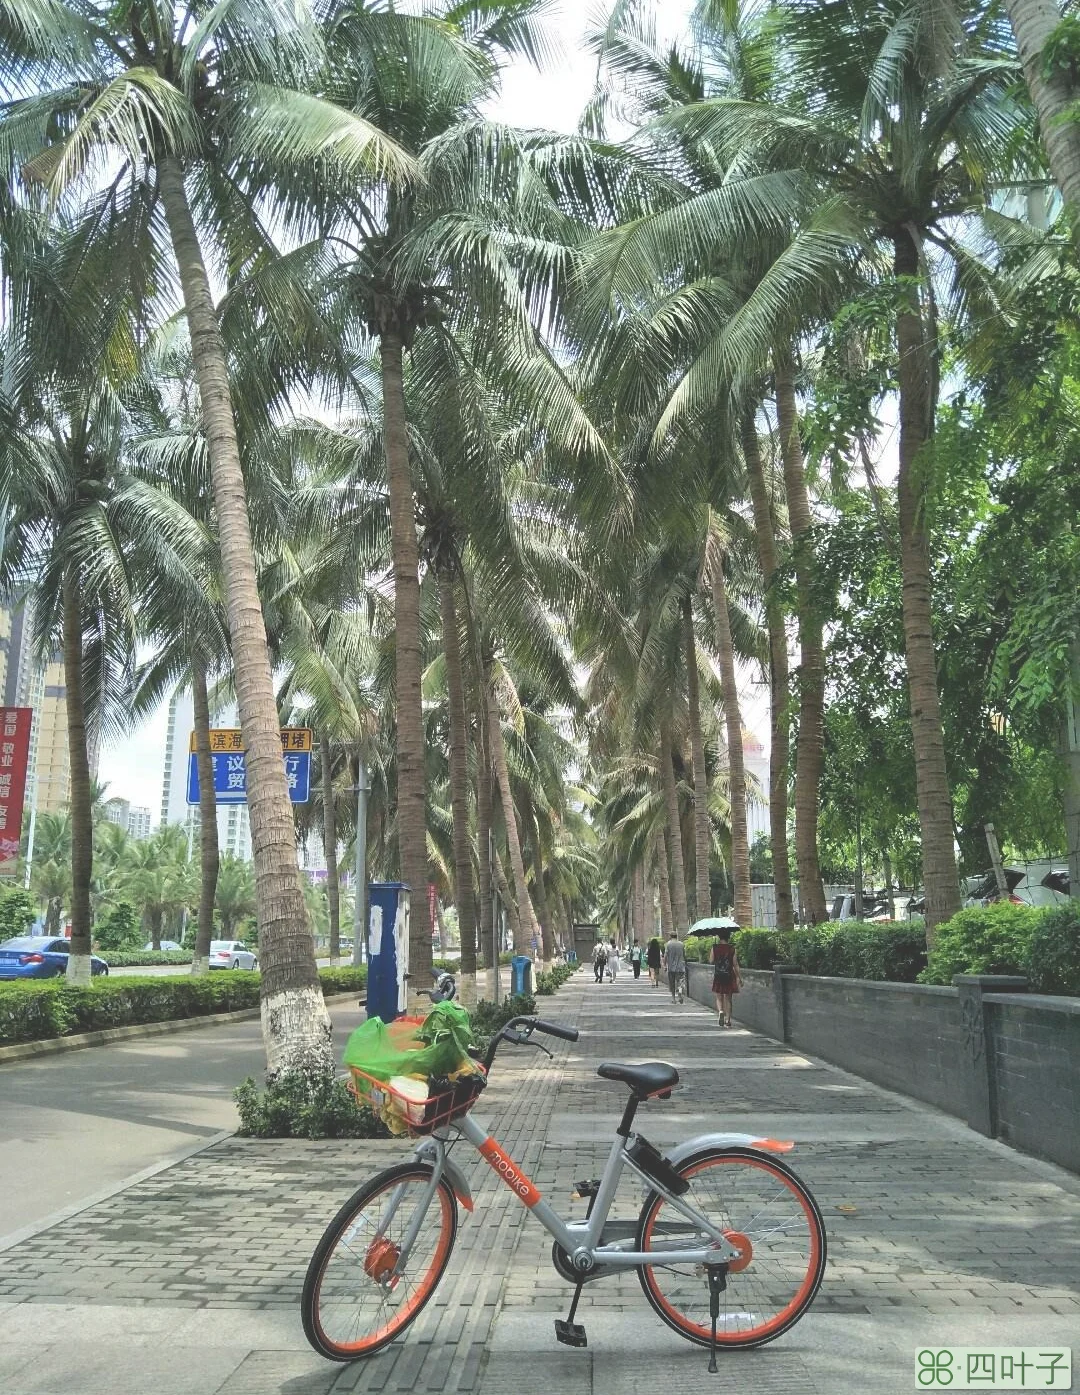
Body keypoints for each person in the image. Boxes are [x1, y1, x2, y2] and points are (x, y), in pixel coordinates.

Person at [710, 923, 742, 1027]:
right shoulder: (732, 948)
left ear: (719, 936)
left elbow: (711, 961)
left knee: (719, 997)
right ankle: (728, 1020)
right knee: (728, 998)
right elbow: (735, 964)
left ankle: (720, 1012)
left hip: (718, 975)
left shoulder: (714, 947)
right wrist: (739, 978)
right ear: (728, 937)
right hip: (729, 975)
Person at [663, 931, 686, 1005]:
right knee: (680, 981)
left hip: (671, 968)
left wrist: (664, 965)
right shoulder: (681, 944)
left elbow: (665, 956)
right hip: (680, 967)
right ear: (677, 936)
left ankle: (673, 999)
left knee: (672, 983)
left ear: (670, 936)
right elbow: (684, 955)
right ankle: (679, 992)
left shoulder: (668, 944)